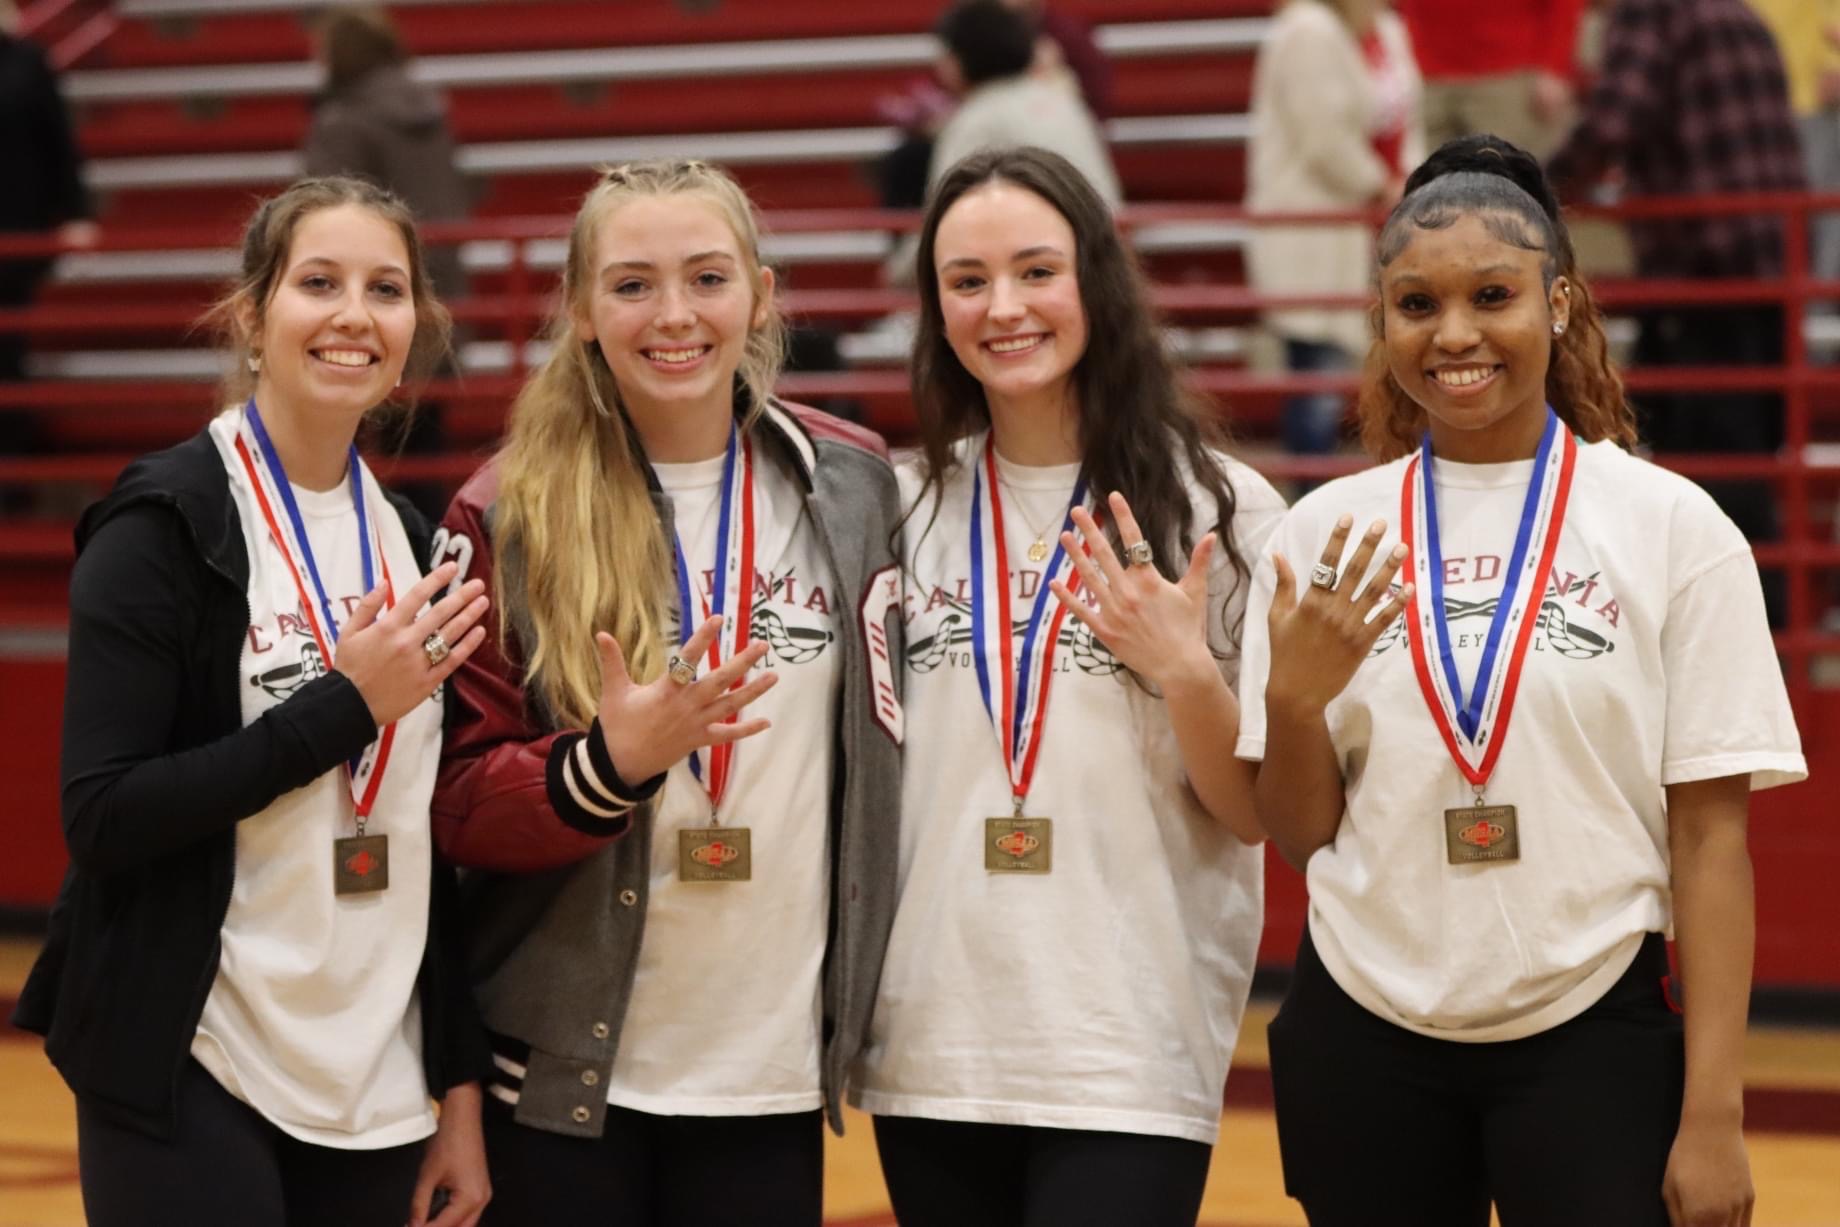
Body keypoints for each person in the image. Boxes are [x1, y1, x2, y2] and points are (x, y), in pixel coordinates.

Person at [1236, 139, 1806, 1226]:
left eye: (1491, 296)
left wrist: (1714, 1113)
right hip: (1362, 1026)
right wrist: (1292, 701)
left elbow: (1710, 840)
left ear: (1559, 302)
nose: (1453, 334)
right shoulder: (1322, 535)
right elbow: (1304, 837)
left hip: (1592, 1030)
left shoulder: (1671, 528)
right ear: (1382, 320)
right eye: (1416, 304)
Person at [10, 176, 496, 1227]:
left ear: (415, 329)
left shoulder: (416, 544)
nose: (354, 314)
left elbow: (423, 843)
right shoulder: (163, 525)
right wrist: (343, 707)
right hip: (194, 1054)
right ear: (250, 316)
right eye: (319, 283)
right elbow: (105, 815)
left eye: (386, 289)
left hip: (373, 1077)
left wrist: (458, 1089)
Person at [430, 158, 903, 1227]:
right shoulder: (506, 513)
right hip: (557, 1078)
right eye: (633, 285)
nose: (674, 315)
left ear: (761, 297)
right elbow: (450, 800)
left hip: (770, 1073)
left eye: (707, 278)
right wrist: (602, 769)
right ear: (581, 311)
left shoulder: (855, 486)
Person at [850, 146, 1286, 1227]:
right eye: (967, 281)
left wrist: (1182, 669)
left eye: (1036, 271)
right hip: (933, 1044)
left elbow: (1252, 812)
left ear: (1097, 277)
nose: (1003, 307)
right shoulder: (897, 510)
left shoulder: (1220, 509)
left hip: (1125, 1044)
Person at [1547, 0, 1805, 625]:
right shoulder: (1740, 15)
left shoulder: (1650, 12)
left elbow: (1614, 122)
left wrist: (1529, 189)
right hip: (1772, 270)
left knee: (1703, 474)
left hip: (1699, 271)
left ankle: (1726, 631)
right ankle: (1766, 632)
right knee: (1744, 466)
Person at [1246, 0, 1423, 461]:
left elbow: (1410, 117)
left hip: (1388, 222)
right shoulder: (1305, 30)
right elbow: (1322, 138)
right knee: (1319, 376)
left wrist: (1414, 183)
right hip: (1317, 232)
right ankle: (1309, 493)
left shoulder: (1387, 28)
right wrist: (1382, 185)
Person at [1394, 0, 1585, 159]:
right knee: (1435, 184)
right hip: (1427, 73)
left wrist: (1554, 65)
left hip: (1507, 75)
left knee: (1507, 180)